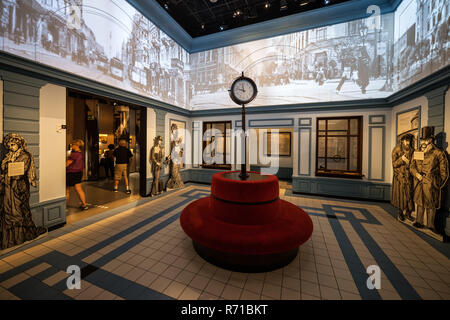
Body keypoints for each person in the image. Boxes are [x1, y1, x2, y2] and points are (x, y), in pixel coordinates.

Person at [0, 133, 47, 250]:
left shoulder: (25, 156)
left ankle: (19, 237)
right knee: (8, 212)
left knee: (18, 211)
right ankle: (9, 240)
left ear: (19, 144)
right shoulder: (9, 156)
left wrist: (6, 174)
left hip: (18, 188)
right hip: (8, 188)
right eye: (9, 145)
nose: (11, 147)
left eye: (13, 144)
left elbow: (18, 172)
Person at [410, 127, 449, 233]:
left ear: (431, 140)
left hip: (431, 184)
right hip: (419, 183)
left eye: (426, 140)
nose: (423, 142)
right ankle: (419, 221)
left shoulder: (438, 153)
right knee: (419, 202)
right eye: (422, 140)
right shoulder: (417, 152)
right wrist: (416, 174)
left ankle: (431, 225)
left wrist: (437, 184)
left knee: (431, 205)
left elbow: (444, 172)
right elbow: (412, 166)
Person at [391, 134, 414, 221]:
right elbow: (394, 164)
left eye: (409, 141)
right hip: (400, 177)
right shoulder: (396, 150)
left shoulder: (412, 150)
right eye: (406, 141)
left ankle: (408, 213)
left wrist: (409, 164)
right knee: (401, 195)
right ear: (402, 141)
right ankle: (400, 212)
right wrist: (402, 160)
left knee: (409, 195)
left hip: (409, 176)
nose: (408, 142)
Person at [66, 139, 88, 210]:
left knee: (67, 190)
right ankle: (84, 205)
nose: (72, 146)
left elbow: (67, 163)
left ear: (76, 145)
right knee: (79, 189)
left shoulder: (74, 154)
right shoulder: (80, 153)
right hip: (79, 173)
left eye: (73, 145)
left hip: (71, 173)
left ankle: (65, 206)